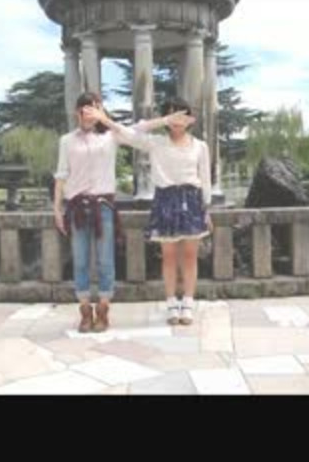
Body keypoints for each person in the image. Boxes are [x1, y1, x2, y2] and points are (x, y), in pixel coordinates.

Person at [54, 91, 193, 332]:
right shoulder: (66, 141)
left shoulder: (111, 135)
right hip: (76, 207)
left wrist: (166, 120)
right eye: (86, 108)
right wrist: (57, 208)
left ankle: (103, 309)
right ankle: (85, 310)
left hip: (104, 206)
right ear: (77, 112)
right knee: (80, 261)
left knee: (105, 260)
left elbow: (139, 128)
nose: (90, 112)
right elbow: (61, 174)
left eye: (96, 107)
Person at [84, 97, 211, 326]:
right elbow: (128, 134)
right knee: (169, 256)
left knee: (190, 256)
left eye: (181, 115)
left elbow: (205, 178)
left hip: (191, 200)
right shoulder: (156, 143)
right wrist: (106, 120)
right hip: (165, 200)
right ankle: (171, 303)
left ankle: (188, 303)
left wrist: (206, 208)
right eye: (171, 115)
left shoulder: (200, 146)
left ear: (190, 119)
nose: (176, 121)